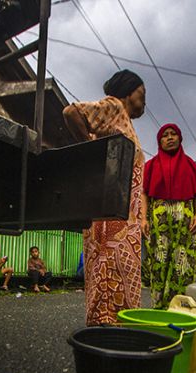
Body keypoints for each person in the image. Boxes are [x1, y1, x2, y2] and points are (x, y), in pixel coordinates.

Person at [62, 69, 146, 324]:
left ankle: (117, 331)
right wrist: (91, 147)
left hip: (124, 218)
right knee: (108, 274)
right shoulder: (115, 107)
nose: (144, 99)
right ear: (128, 91)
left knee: (122, 278)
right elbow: (72, 112)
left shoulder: (126, 123)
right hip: (111, 219)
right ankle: (106, 333)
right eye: (142, 93)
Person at [142, 123, 196, 309]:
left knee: (183, 262)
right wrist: (143, 218)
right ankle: (159, 306)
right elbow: (144, 193)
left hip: (185, 220)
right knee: (159, 259)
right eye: (165, 135)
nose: (170, 138)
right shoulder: (151, 165)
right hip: (159, 218)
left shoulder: (190, 164)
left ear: (179, 138)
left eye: (173, 134)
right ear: (159, 141)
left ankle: (179, 307)